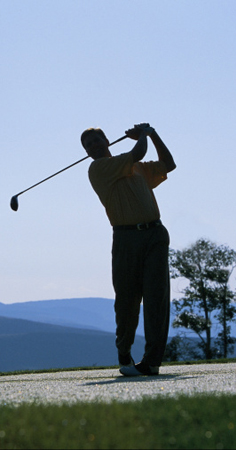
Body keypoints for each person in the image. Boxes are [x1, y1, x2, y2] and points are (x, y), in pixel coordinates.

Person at [81, 123, 176, 376]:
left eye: (96, 140)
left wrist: (154, 134)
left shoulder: (137, 169)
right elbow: (138, 153)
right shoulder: (98, 168)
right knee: (127, 300)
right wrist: (144, 134)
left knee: (156, 298)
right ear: (88, 153)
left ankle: (151, 361)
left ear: (107, 141)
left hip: (155, 234)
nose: (93, 146)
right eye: (88, 145)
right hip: (125, 238)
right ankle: (124, 351)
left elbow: (168, 164)